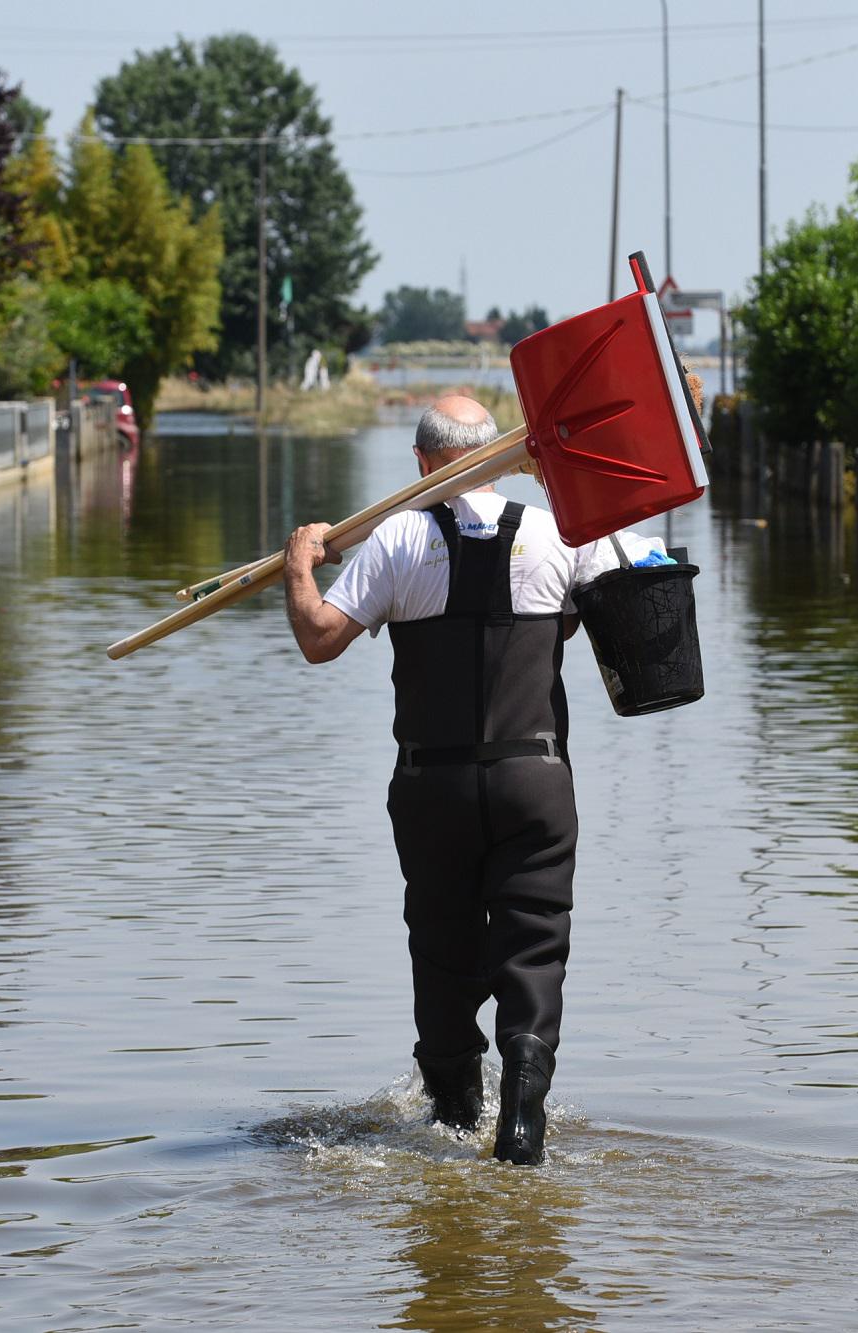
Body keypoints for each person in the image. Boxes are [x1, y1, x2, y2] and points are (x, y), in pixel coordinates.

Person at [283, 395, 601, 1166]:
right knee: (536, 943)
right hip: (536, 779)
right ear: (499, 454)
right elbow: (580, 619)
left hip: (435, 788)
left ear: (424, 465)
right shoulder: (560, 532)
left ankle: (455, 1116)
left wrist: (297, 567)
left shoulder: (398, 537)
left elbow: (322, 639)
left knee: (443, 952)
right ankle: (522, 1121)